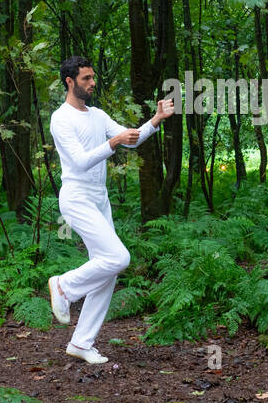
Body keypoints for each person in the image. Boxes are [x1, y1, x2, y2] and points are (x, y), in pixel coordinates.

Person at [47, 57, 175, 364]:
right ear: (70, 82)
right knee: (119, 258)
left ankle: (81, 342)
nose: (93, 83)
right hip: (76, 198)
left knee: (109, 271)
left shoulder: (98, 115)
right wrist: (113, 142)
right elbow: (79, 161)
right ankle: (63, 286)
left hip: (99, 199)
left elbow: (129, 139)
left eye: (93, 78)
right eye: (87, 79)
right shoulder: (60, 118)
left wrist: (156, 119)